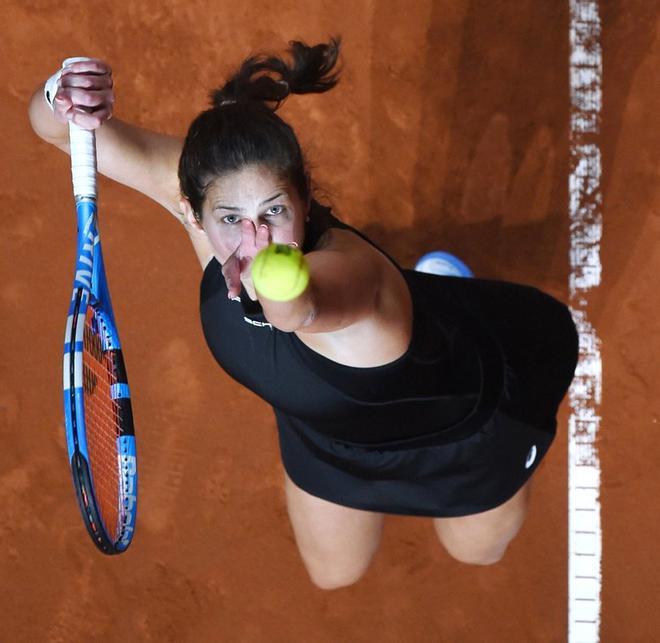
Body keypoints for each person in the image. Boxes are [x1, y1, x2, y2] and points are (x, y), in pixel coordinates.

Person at [29, 38, 579, 590]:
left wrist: (270, 280)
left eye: (274, 211)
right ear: (190, 212)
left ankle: (437, 293)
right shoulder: (203, 192)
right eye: (229, 217)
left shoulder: (354, 280)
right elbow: (55, 129)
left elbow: (299, 310)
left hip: (459, 426)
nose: (257, 237)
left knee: (476, 552)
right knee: (333, 574)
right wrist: (65, 97)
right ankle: (431, 294)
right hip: (327, 437)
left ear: (305, 201)